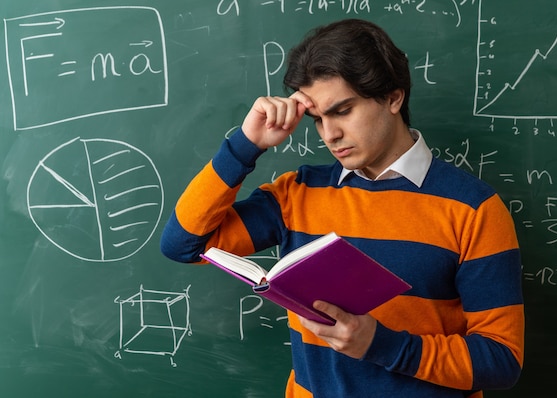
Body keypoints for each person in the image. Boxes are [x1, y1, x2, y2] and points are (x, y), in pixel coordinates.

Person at [161, 18, 524, 398]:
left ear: (392, 98)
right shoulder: (297, 193)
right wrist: (245, 144)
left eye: (343, 111)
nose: (329, 135)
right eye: (317, 119)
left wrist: (381, 345)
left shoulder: (473, 209)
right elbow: (183, 244)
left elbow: (501, 360)